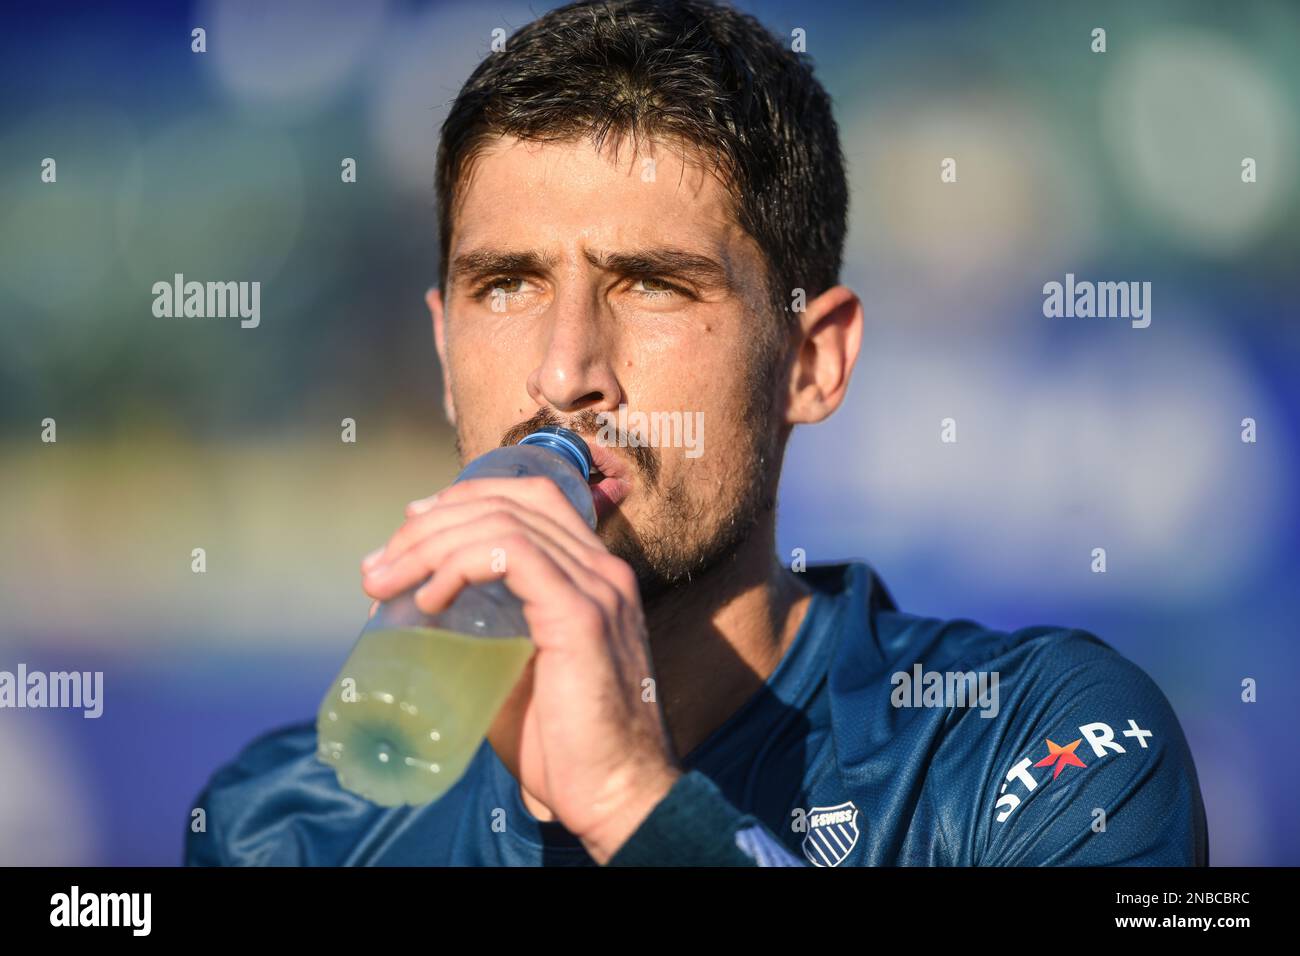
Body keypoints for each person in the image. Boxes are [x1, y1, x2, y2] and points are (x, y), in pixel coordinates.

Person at [186, 0, 1207, 867]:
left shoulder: (1028, 742)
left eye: (654, 285)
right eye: (506, 285)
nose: (562, 371)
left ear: (812, 362)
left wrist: (638, 803)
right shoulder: (282, 826)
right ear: (444, 351)